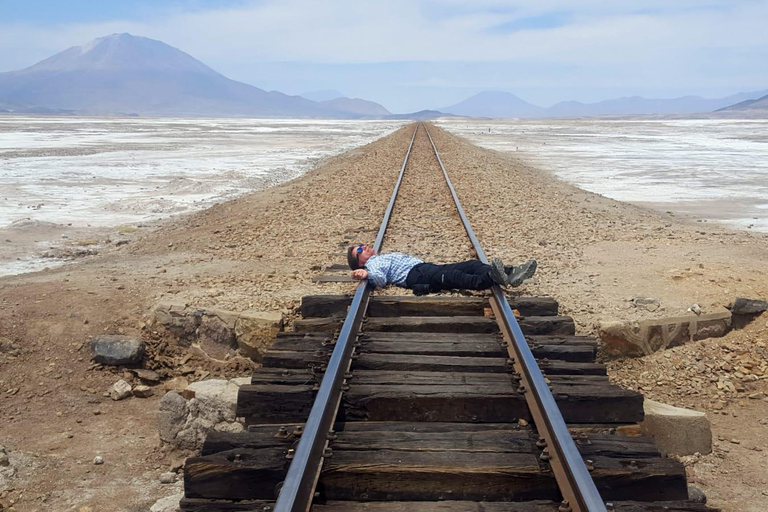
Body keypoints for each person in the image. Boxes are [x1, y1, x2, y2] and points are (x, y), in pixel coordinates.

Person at [347, 243, 537, 295]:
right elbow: (380, 280)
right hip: (416, 275)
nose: (366, 247)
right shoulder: (372, 264)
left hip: (424, 268)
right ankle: (493, 278)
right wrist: (367, 274)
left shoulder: (379, 257)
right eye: (361, 250)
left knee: (472, 264)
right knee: (455, 276)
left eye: (364, 245)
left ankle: (511, 273)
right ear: (360, 262)